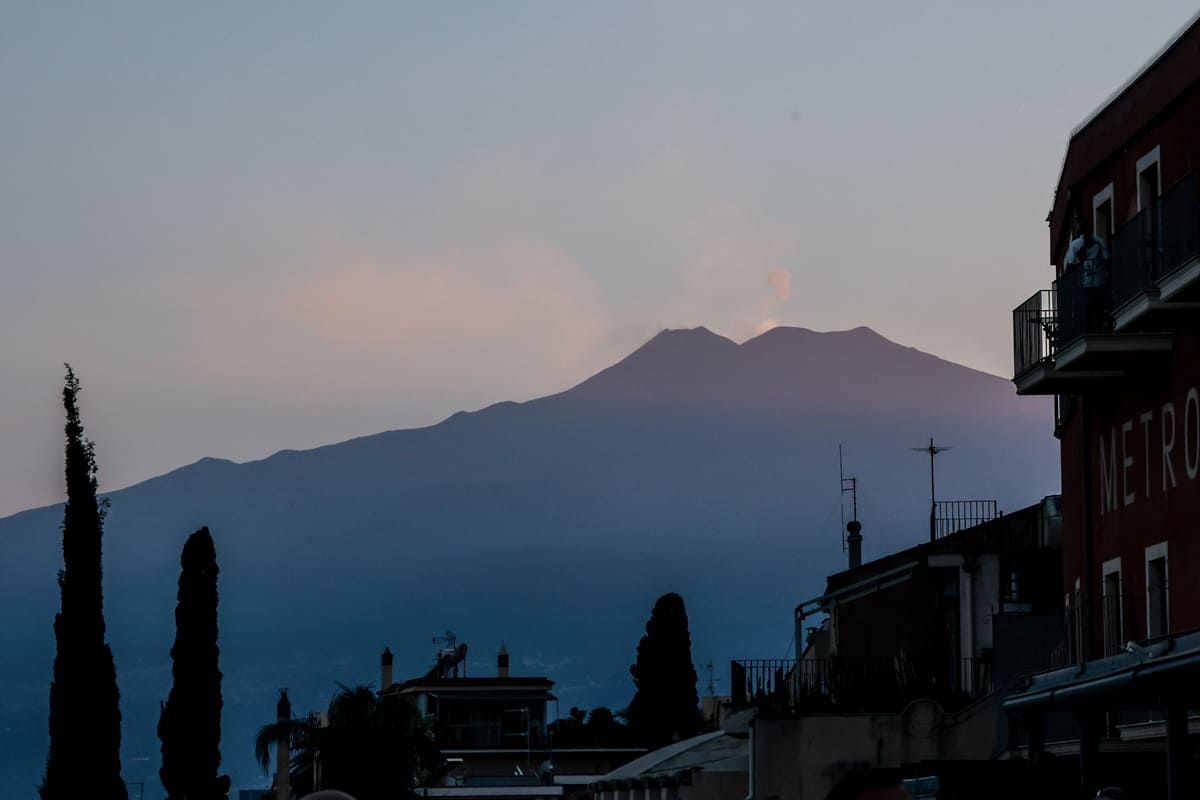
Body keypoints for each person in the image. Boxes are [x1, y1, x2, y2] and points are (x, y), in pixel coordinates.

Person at [1065, 206, 1111, 333]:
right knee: (1098, 306)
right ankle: (1099, 325)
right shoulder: (1099, 242)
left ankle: (1088, 328)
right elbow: (1107, 259)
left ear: (1079, 230)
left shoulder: (1075, 245)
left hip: (1084, 282)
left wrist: (1066, 279)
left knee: (1087, 307)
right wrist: (1108, 278)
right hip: (1099, 280)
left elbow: (1070, 264)